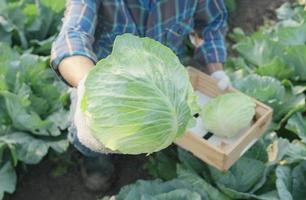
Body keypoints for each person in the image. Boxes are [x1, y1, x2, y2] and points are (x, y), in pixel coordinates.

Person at [51, 0, 230, 192]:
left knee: (165, 126)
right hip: (107, 90)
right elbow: (72, 36)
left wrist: (215, 68)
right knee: (87, 133)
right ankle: (95, 159)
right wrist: (89, 86)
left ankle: (155, 142)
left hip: (163, 84)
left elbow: (212, 23)